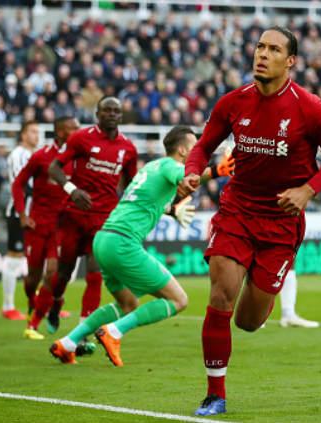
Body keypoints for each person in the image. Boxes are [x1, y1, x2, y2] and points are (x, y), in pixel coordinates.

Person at [179, 27, 321, 416]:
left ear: (289, 61)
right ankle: (215, 394)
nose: (262, 54)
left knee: (249, 321)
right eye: (260, 46)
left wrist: (308, 190)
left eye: (273, 49)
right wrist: (193, 170)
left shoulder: (309, 108)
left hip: (281, 223)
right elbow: (204, 145)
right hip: (237, 211)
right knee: (221, 294)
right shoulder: (233, 102)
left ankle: (263, 297)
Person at [50, 126, 234, 365]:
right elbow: (189, 179)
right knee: (179, 300)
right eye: (194, 147)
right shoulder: (172, 166)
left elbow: (148, 199)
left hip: (104, 238)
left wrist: (171, 209)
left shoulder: (151, 167)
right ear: (181, 150)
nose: (198, 151)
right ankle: (114, 332)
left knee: (127, 303)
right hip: (123, 242)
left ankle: (68, 343)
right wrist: (217, 170)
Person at [38, 97, 138, 335]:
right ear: (97, 114)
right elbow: (54, 167)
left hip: (105, 217)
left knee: (95, 272)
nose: (112, 114)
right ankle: (56, 302)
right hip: (74, 215)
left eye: (116, 111)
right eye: (107, 110)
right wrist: (72, 190)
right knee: (64, 272)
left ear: (120, 116)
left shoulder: (128, 149)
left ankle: (83, 330)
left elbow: (132, 184)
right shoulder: (81, 138)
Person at [12, 116, 79, 340]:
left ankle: (35, 321)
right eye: (73, 128)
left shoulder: (77, 159)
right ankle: (34, 301)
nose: (78, 131)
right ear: (60, 132)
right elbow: (17, 183)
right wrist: (22, 214)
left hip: (61, 226)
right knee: (33, 277)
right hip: (37, 224)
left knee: (52, 274)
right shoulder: (41, 157)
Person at [1, 120, 39, 320]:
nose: (36, 135)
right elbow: (21, 183)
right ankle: (8, 306)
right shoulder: (18, 155)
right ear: (23, 134)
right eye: (32, 131)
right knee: (14, 257)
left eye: (38, 132)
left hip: (35, 214)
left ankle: (42, 305)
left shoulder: (34, 155)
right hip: (19, 213)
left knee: (36, 258)